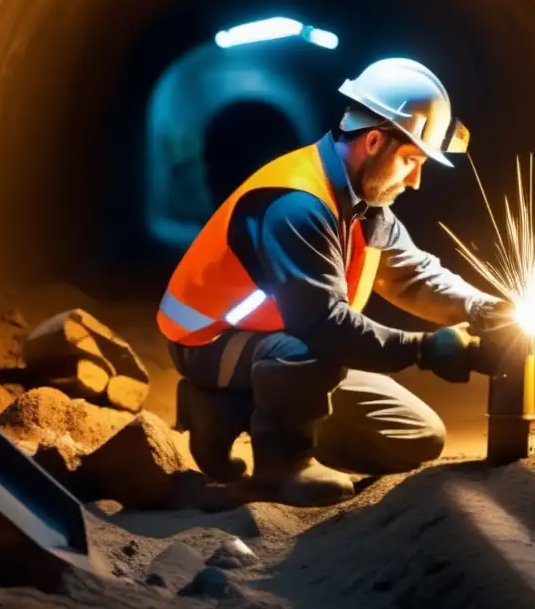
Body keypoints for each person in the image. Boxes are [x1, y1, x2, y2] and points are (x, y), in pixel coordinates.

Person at [156, 57, 510, 506]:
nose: (416, 181)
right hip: (210, 341)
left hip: (282, 347)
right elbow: (323, 324)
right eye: (410, 161)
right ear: (375, 140)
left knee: (416, 436)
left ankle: (229, 411)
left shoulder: (365, 203)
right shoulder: (296, 205)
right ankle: (281, 467)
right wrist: (423, 349)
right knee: (315, 352)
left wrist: (482, 307)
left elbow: (410, 275)